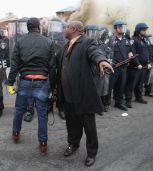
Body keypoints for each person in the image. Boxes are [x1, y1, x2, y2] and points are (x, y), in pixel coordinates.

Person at [56, 20, 113, 167]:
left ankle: (91, 153)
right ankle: (73, 144)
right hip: (67, 95)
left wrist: (102, 61)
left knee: (89, 126)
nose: (64, 30)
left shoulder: (87, 43)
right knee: (71, 124)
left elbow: (95, 53)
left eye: (67, 27)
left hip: (83, 95)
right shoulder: (64, 47)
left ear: (74, 29)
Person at [7, 17, 56, 154]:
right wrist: (54, 87)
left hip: (25, 81)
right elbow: (52, 68)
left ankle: (15, 134)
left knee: (19, 110)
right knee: (42, 115)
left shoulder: (20, 42)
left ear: (27, 27)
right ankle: (43, 143)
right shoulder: (48, 42)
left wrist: (10, 82)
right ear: (38, 27)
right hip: (41, 82)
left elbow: (14, 64)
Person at [107, 19, 133, 111]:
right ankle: (106, 103)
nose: (123, 29)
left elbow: (130, 50)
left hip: (124, 67)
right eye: (121, 27)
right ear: (116, 28)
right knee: (110, 86)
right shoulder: (111, 40)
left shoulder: (126, 40)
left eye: (124, 27)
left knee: (121, 86)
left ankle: (118, 102)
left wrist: (130, 53)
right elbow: (107, 52)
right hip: (114, 67)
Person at [125, 23, 152, 108]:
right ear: (138, 30)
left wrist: (148, 62)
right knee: (131, 84)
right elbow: (132, 54)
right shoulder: (133, 40)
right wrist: (138, 64)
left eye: (145, 30)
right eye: (143, 30)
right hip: (135, 67)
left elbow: (148, 53)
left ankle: (138, 97)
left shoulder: (145, 40)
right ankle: (128, 100)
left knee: (140, 84)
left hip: (143, 66)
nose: (145, 31)